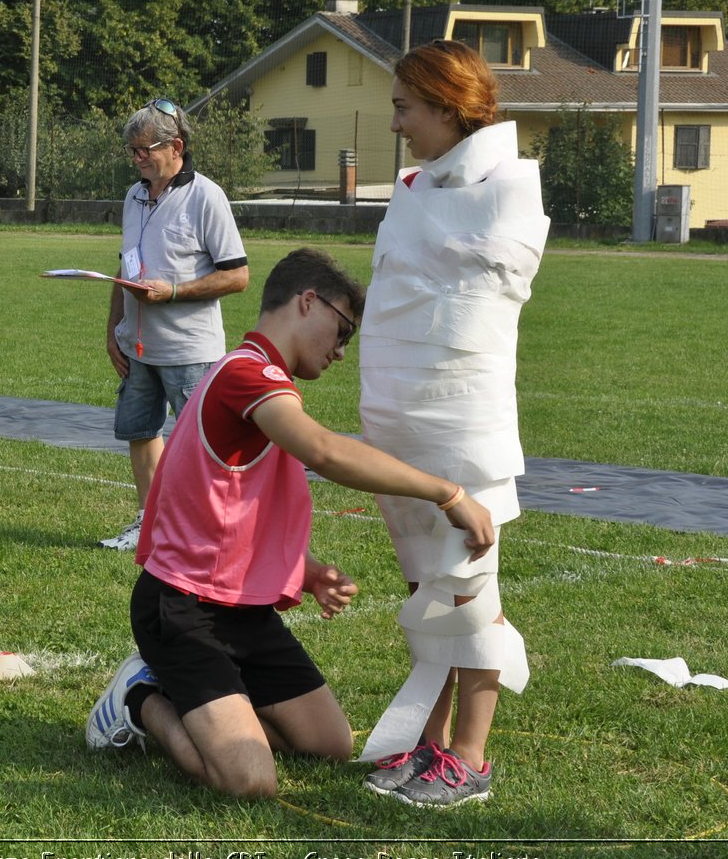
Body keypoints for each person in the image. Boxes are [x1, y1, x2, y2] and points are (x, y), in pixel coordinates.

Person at [86, 248, 496, 801]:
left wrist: (302, 571)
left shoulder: (260, 379)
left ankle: (206, 703)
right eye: (343, 329)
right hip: (183, 609)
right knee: (250, 782)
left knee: (331, 744)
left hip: (241, 611)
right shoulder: (244, 374)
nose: (342, 351)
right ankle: (139, 698)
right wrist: (447, 492)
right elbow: (325, 451)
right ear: (309, 302)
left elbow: (225, 511)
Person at [354, 38, 550, 808]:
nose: (397, 122)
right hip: (400, 427)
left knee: (469, 589)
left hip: (465, 427)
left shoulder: (507, 189)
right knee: (422, 590)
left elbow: (490, 288)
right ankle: (427, 745)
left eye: (405, 106)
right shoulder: (415, 188)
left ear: (445, 105)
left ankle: (469, 759)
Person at [99, 98, 248, 551]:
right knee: (140, 434)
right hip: (138, 347)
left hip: (189, 351)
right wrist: (113, 331)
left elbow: (238, 276)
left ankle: (213, 534)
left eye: (143, 150)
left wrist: (175, 292)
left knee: (203, 449)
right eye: (132, 150)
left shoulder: (207, 196)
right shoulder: (133, 195)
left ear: (176, 146)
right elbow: (124, 267)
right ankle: (150, 525)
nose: (136, 158)